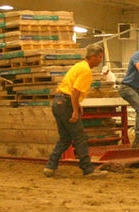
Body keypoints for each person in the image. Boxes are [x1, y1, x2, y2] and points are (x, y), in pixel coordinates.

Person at [43, 44, 108, 177]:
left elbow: (71, 89)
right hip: (66, 103)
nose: (100, 60)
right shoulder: (86, 71)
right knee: (80, 137)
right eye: (99, 57)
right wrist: (74, 110)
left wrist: (77, 104)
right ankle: (87, 169)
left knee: (65, 138)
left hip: (58, 102)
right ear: (92, 57)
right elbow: (75, 91)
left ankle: (50, 166)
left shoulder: (79, 66)